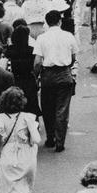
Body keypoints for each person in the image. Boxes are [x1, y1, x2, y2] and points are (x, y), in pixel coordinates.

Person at [35, 9, 79, 152]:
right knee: (62, 109)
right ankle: (60, 141)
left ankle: (50, 137)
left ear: (47, 22)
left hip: (48, 75)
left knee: (48, 107)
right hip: (64, 73)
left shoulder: (41, 38)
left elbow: (37, 62)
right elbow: (73, 57)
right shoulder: (69, 36)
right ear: (60, 21)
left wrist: (37, 75)